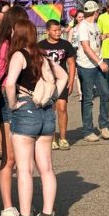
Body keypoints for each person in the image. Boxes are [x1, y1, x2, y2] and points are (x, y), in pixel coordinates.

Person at [4, 20, 68, 216]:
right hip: (46, 111)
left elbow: (10, 83)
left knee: (24, 169)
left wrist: (12, 104)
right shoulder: (43, 55)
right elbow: (64, 76)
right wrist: (52, 97)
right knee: (46, 167)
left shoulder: (19, 55)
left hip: (25, 110)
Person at [0, 4, 30, 216]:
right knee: (10, 156)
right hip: (8, 99)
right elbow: (4, 78)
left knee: (22, 156)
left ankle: (22, 203)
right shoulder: (6, 45)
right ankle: (7, 206)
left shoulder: (15, 45)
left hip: (17, 98)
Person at [76, 0, 109, 142]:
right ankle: (88, 131)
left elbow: (95, 39)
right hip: (86, 66)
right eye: (98, 11)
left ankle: (104, 125)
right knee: (88, 98)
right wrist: (100, 62)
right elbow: (86, 47)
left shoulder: (95, 24)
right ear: (95, 12)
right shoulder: (82, 26)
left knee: (105, 93)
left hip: (97, 64)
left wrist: (104, 36)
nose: (99, 13)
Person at [38, 19, 76, 150]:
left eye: (59, 30)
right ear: (47, 31)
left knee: (62, 107)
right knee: (50, 110)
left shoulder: (66, 45)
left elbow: (71, 63)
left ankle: (63, 138)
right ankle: (52, 138)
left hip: (62, 81)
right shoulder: (40, 45)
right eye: (54, 30)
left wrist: (71, 80)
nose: (58, 32)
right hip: (47, 82)